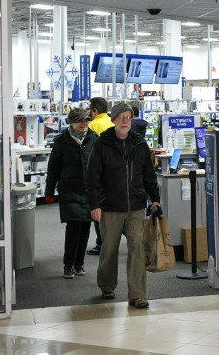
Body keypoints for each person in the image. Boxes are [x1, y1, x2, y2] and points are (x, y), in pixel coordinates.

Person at [86, 103, 161, 308]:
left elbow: (149, 175)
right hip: (110, 206)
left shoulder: (140, 145)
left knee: (136, 248)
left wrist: (155, 198)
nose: (125, 121)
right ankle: (107, 286)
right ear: (113, 120)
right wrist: (95, 204)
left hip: (136, 206)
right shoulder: (102, 144)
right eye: (121, 117)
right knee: (109, 249)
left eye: (128, 117)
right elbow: (93, 177)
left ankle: (137, 294)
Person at [44, 108, 98, 279]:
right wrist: (49, 191)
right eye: (81, 120)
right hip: (70, 190)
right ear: (71, 123)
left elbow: (101, 166)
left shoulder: (94, 139)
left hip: (90, 191)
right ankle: (68, 265)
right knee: (74, 227)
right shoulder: (62, 141)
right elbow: (53, 168)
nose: (84, 123)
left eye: (87, 120)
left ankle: (79, 264)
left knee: (86, 227)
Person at [86, 96, 114, 255]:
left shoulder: (93, 125)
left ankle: (101, 242)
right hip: (113, 172)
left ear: (95, 110)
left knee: (97, 208)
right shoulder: (111, 122)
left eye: (90, 109)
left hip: (100, 173)